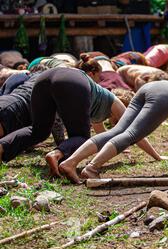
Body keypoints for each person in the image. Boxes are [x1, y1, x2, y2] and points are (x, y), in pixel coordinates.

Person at [59, 67, 168, 183]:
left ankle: (70, 162)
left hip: (151, 88)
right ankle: (92, 168)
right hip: (166, 95)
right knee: (130, 135)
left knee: (118, 130)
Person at [0, 68, 157, 176]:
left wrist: (116, 151)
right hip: (72, 80)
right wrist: (157, 157)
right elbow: (134, 131)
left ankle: (2, 147)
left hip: (44, 78)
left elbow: (102, 139)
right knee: (82, 137)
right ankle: (56, 155)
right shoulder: (115, 102)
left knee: (39, 131)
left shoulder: (97, 108)